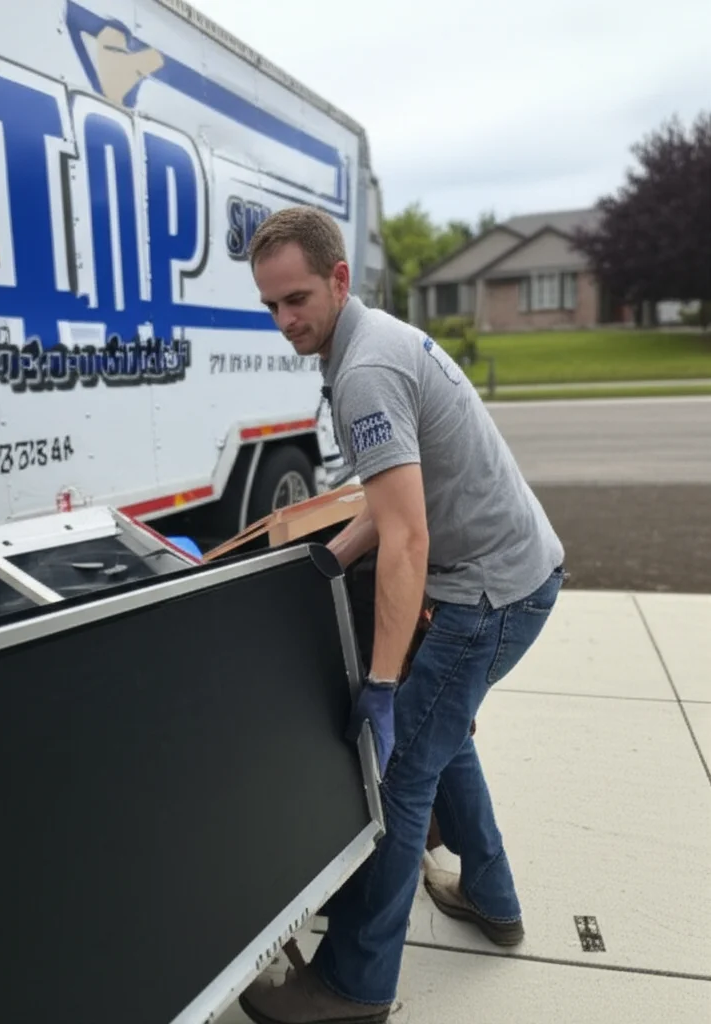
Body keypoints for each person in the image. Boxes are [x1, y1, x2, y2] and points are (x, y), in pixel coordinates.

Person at [239, 206, 565, 1024]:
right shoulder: (369, 339)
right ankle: (492, 897)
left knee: (402, 770)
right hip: (519, 571)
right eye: (271, 305)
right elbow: (390, 508)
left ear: (340, 279)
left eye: (298, 299)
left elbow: (411, 539)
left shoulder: (364, 373)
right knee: (440, 735)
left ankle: (354, 985)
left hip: (489, 592)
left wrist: (383, 683)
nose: (285, 321)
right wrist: (331, 557)